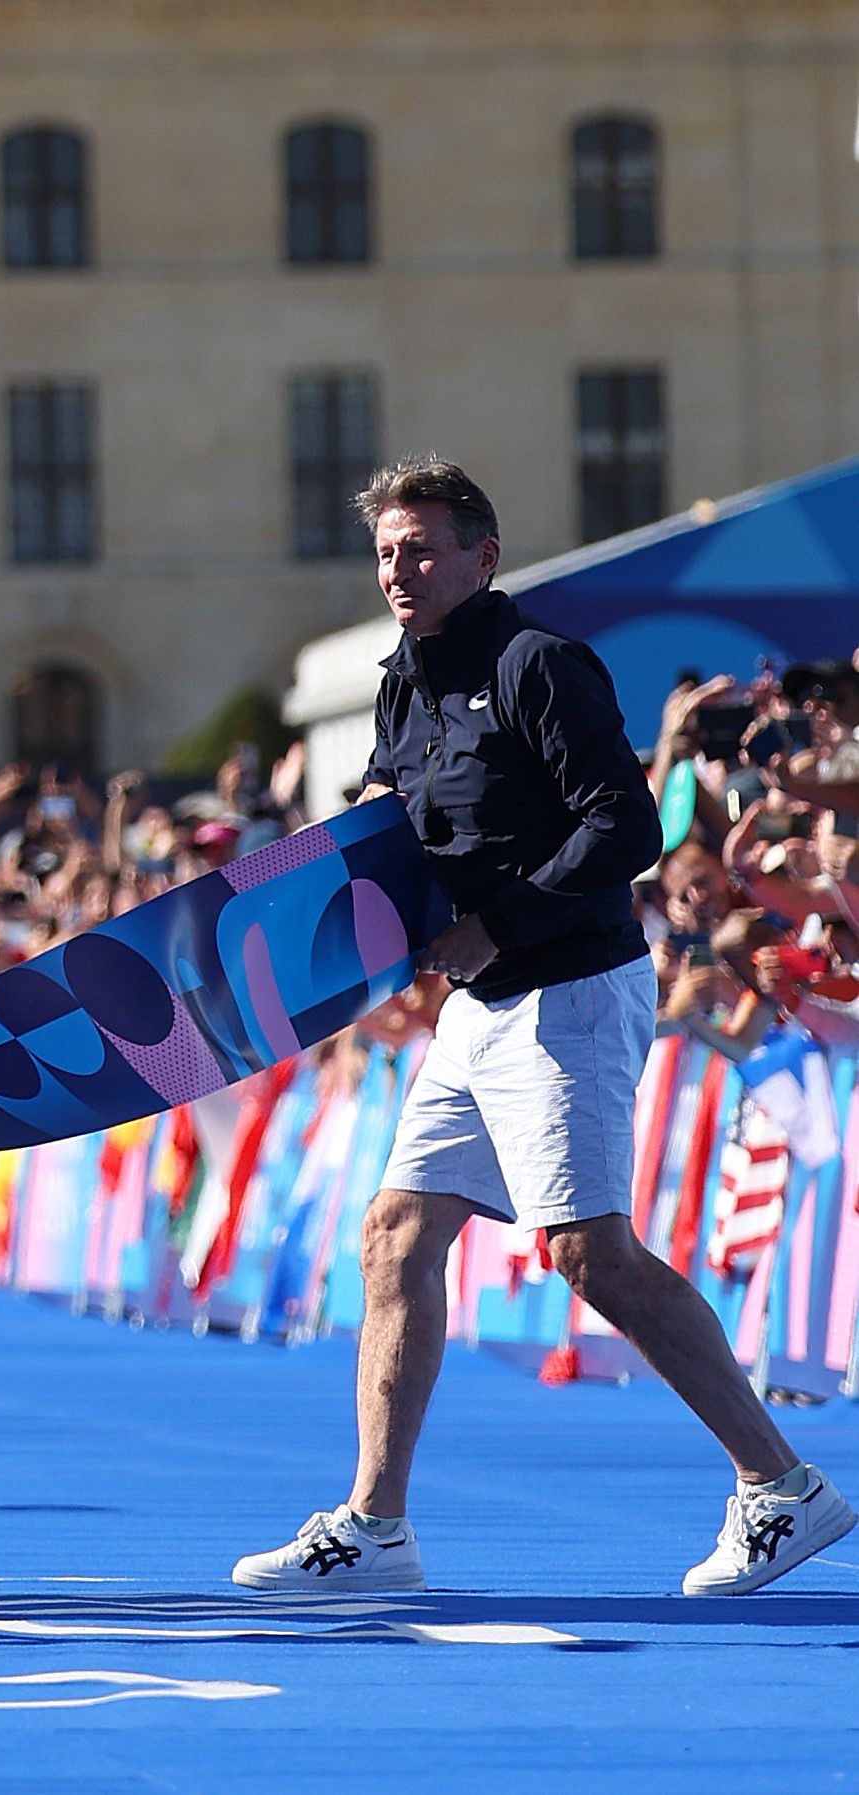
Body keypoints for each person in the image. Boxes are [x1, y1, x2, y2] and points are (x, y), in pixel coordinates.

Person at [233, 456, 847, 1596]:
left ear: (483, 555)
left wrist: (495, 924)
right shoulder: (400, 682)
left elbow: (624, 829)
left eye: (422, 548)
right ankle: (376, 1527)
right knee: (394, 1236)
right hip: (477, 1003)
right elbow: (391, 826)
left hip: (569, 989)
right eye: (385, 551)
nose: (400, 570)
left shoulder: (539, 665)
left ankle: (781, 1487)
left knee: (586, 1253)